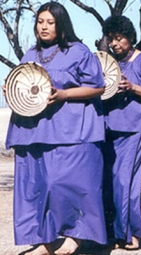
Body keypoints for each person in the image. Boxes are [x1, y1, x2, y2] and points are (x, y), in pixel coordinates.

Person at [3, 2, 107, 255]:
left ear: (61, 24)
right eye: (40, 22)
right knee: (36, 187)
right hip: (34, 131)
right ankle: (45, 242)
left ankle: (75, 236)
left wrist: (64, 94)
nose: (44, 27)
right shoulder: (29, 54)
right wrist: (12, 89)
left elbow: (98, 87)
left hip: (72, 129)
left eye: (50, 22)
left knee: (68, 183)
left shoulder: (79, 51)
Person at [101, 16, 141, 250]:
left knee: (125, 183)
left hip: (134, 128)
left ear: (130, 37)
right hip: (110, 128)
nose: (115, 43)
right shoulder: (110, 63)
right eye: (111, 39)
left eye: (119, 38)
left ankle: (129, 234)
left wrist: (133, 87)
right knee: (110, 182)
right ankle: (115, 232)